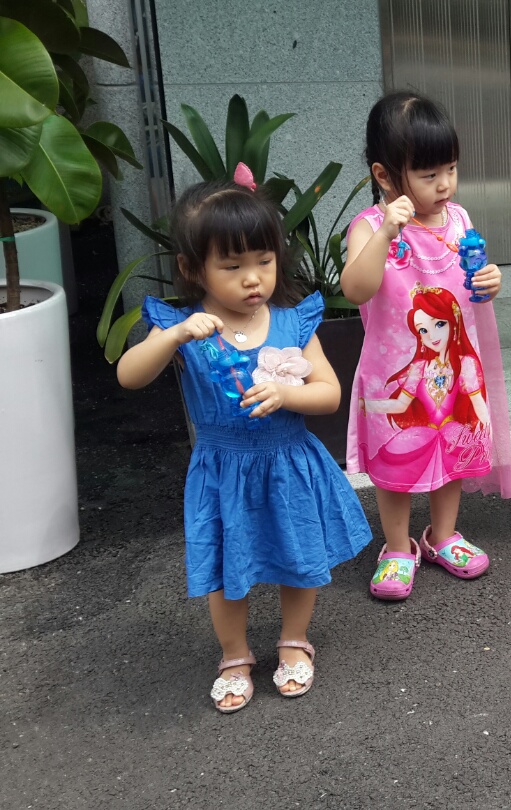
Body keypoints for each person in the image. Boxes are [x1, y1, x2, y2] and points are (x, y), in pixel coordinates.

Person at [117, 170, 371, 713]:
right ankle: (234, 654)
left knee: (298, 554)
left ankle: (294, 640)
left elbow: (329, 393)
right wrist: (173, 335)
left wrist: (287, 394)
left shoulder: (291, 323)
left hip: (288, 461)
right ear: (193, 269)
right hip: (222, 469)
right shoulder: (185, 326)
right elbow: (129, 375)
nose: (252, 278)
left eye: (264, 261)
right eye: (232, 266)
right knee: (224, 568)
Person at [342, 91, 511, 600]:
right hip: (394, 374)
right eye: (429, 173)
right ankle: (397, 547)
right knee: (395, 465)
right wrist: (386, 232)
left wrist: (490, 280)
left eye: (451, 169)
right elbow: (355, 289)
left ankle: (443, 535)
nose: (445, 184)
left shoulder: (457, 220)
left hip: (453, 367)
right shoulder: (369, 228)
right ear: (385, 175)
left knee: (452, 451)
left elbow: (470, 282)